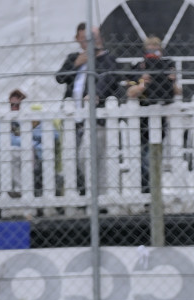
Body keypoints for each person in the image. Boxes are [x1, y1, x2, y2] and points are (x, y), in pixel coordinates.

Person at [57, 24, 122, 195]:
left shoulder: (106, 59)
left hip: (95, 119)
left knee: (89, 157)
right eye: (85, 38)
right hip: (74, 119)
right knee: (75, 160)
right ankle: (87, 194)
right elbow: (60, 77)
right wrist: (77, 63)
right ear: (78, 39)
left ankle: (98, 196)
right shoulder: (74, 58)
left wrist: (97, 94)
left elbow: (108, 78)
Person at [127, 36, 181, 194]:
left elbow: (178, 92)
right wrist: (143, 83)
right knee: (144, 157)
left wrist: (171, 80)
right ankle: (147, 191)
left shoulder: (167, 65)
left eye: (155, 47)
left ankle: (153, 190)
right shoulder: (137, 67)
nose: (152, 50)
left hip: (160, 115)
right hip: (142, 118)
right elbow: (130, 92)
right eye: (149, 47)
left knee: (153, 156)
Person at [0, 88, 46, 199]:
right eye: (12, 105)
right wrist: (24, 140)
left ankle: (11, 190)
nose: (14, 107)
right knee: (3, 157)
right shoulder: (3, 119)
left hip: (25, 151)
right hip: (9, 150)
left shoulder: (31, 118)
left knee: (14, 156)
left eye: (17, 104)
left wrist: (16, 139)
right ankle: (16, 189)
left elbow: (42, 135)